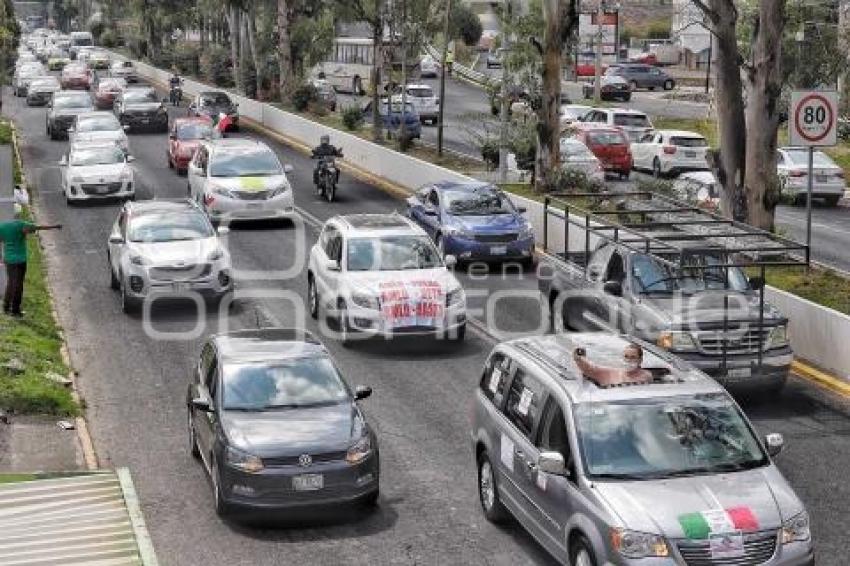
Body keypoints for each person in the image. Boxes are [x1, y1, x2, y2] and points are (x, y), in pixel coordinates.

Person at [0, 205, 62, 318]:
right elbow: (39, 227)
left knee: (10, 283)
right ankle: (15, 310)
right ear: (17, 214)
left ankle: (5, 307)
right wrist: (55, 226)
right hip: (20, 260)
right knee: (18, 285)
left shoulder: (2, 226)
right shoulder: (21, 225)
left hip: (9, 260)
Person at [573, 343, 652, 387]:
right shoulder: (610, 373)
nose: (628, 360)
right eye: (626, 356)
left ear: (640, 360)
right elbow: (590, 369)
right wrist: (579, 359)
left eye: (633, 357)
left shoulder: (646, 376)